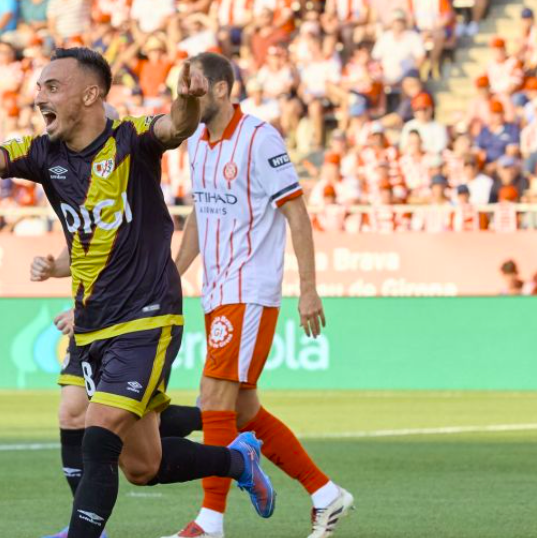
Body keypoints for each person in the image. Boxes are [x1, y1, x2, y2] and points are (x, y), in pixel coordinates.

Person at [0, 47, 275, 538]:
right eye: (39, 87)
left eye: (51, 87)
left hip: (148, 315)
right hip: (92, 323)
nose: (38, 95)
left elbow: (176, 127)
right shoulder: (41, 153)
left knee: (98, 430)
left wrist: (188, 101)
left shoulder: (130, 140)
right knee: (142, 466)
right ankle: (238, 461)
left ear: (90, 95)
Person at [165, 52, 354, 538]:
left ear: (225, 89)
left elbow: (296, 213)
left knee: (213, 398)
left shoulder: (259, 138)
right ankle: (326, 494)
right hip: (216, 290)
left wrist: (307, 289)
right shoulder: (197, 144)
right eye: (185, 87)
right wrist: (171, 274)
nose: (190, 94)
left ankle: (211, 521)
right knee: (243, 409)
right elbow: (198, 218)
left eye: (197, 86)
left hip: (250, 289)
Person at [30, 248, 204, 538]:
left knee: (140, 457)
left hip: (132, 323)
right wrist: (51, 267)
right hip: (88, 322)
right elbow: (76, 252)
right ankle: (86, 526)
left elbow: (130, 259)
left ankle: (218, 425)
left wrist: (93, 310)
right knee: (73, 412)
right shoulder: (74, 203)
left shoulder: (131, 206)